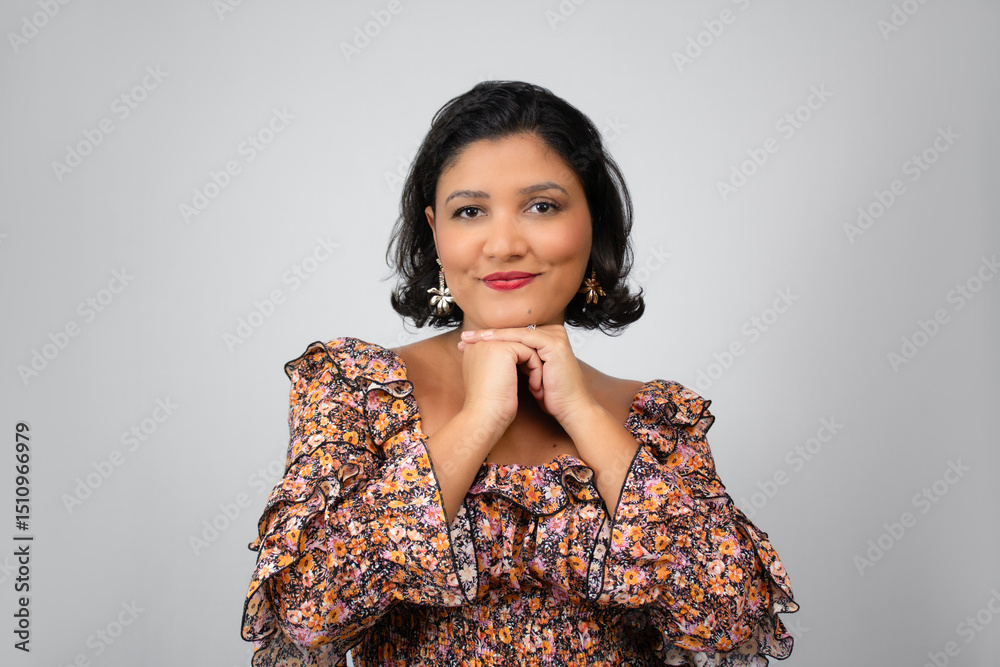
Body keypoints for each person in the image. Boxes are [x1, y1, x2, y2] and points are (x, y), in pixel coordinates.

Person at [241, 80, 799, 666]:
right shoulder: (359, 392)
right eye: (470, 211)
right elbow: (306, 609)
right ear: (435, 232)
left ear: (593, 221)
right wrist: (480, 419)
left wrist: (584, 415)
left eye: (541, 206)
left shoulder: (657, 419)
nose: (504, 244)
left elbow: (728, 617)